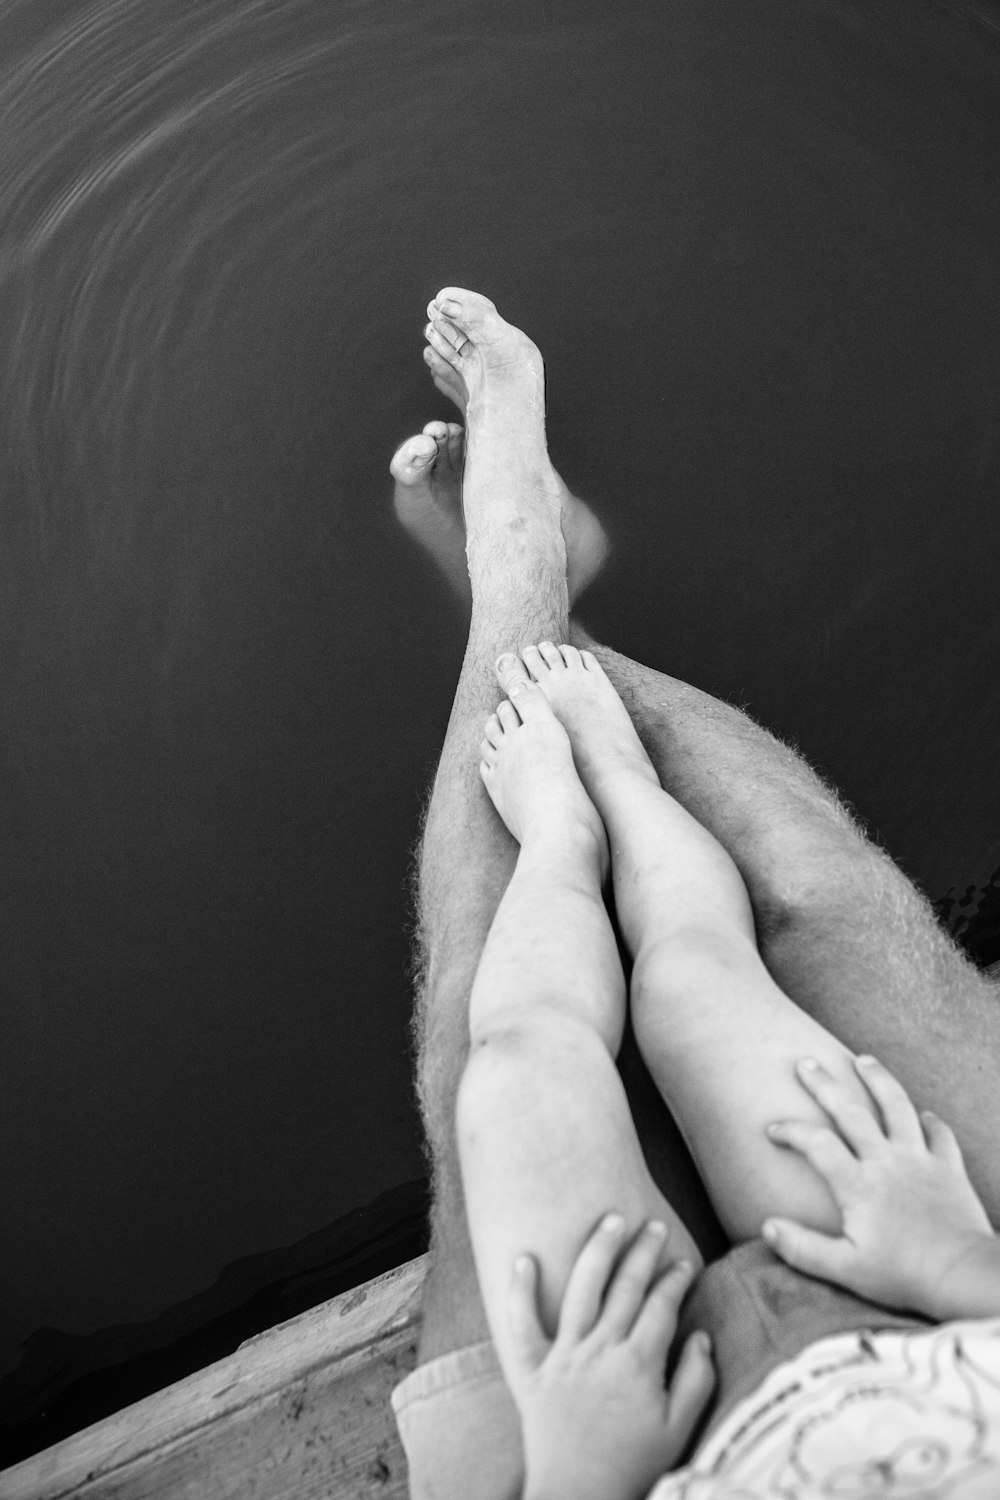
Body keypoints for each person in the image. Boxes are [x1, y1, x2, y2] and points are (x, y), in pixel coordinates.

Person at [386, 287, 1000, 1499]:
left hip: (621, 1451)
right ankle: (542, 601)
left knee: (490, 1059)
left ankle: (518, 574)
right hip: (950, 1337)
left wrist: (577, 1470)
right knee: (809, 910)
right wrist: (967, 1275)